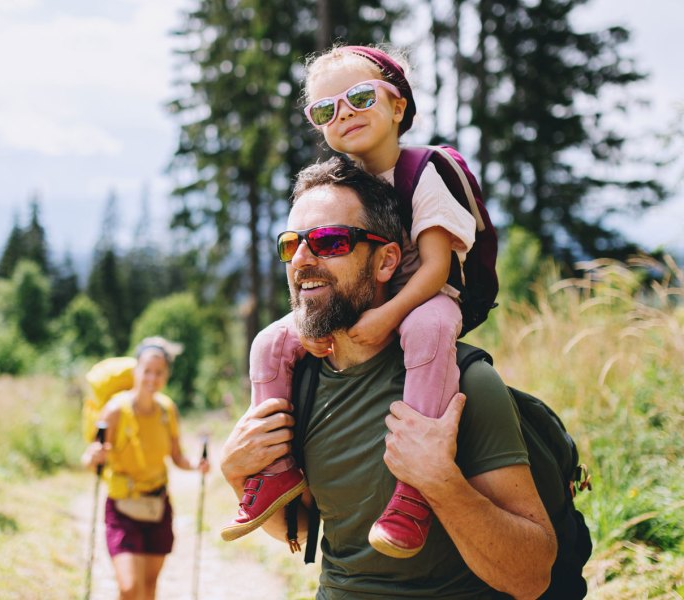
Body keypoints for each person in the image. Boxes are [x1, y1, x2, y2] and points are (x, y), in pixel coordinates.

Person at [220, 158, 556, 598]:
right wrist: (236, 474)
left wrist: (441, 483)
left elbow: (531, 577)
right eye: (291, 244)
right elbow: (303, 529)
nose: (302, 259)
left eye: (330, 241)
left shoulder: (466, 385)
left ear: (386, 261)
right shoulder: (299, 382)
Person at [222, 43, 477, 561]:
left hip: (428, 296)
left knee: (426, 329)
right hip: (368, 299)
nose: (344, 114)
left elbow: (436, 267)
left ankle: (414, 486)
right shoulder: (347, 182)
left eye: (360, 97)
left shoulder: (424, 172)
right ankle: (274, 470)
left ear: (398, 105)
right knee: (271, 341)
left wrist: (386, 315)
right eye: (325, 109)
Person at [81, 336, 210, 600]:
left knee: (149, 587)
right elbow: (89, 458)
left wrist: (196, 465)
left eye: (159, 372)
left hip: (157, 507)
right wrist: (94, 456)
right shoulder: (115, 410)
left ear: (166, 375)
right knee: (130, 587)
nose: (152, 378)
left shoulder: (167, 410)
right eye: (147, 371)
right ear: (136, 371)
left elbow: (177, 457)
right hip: (122, 508)